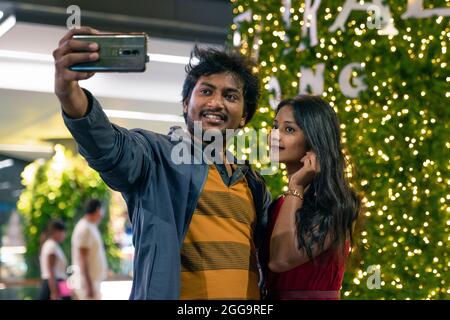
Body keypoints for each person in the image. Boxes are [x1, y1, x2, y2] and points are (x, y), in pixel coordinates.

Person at [53, 27, 271, 299]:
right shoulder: (156, 157)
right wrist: (68, 92)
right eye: (206, 91)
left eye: (230, 96)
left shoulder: (253, 183)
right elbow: (108, 147)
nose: (216, 103)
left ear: (244, 117)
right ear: (185, 104)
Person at [264, 95, 361, 300]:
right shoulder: (281, 202)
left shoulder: (335, 204)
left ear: (313, 140)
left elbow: (280, 260)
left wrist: (296, 185)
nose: (274, 135)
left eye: (289, 129)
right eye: (274, 126)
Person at [71, 199, 108, 300]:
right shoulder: (84, 228)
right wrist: (89, 285)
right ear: (97, 210)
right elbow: (82, 258)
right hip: (87, 283)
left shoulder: (91, 226)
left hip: (93, 282)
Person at [39, 219, 71, 300]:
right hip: (54, 284)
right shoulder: (51, 246)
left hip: (61, 282)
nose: (64, 235)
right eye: (63, 232)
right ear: (56, 231)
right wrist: (54, 292)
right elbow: (51, 270)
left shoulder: (54, 245)